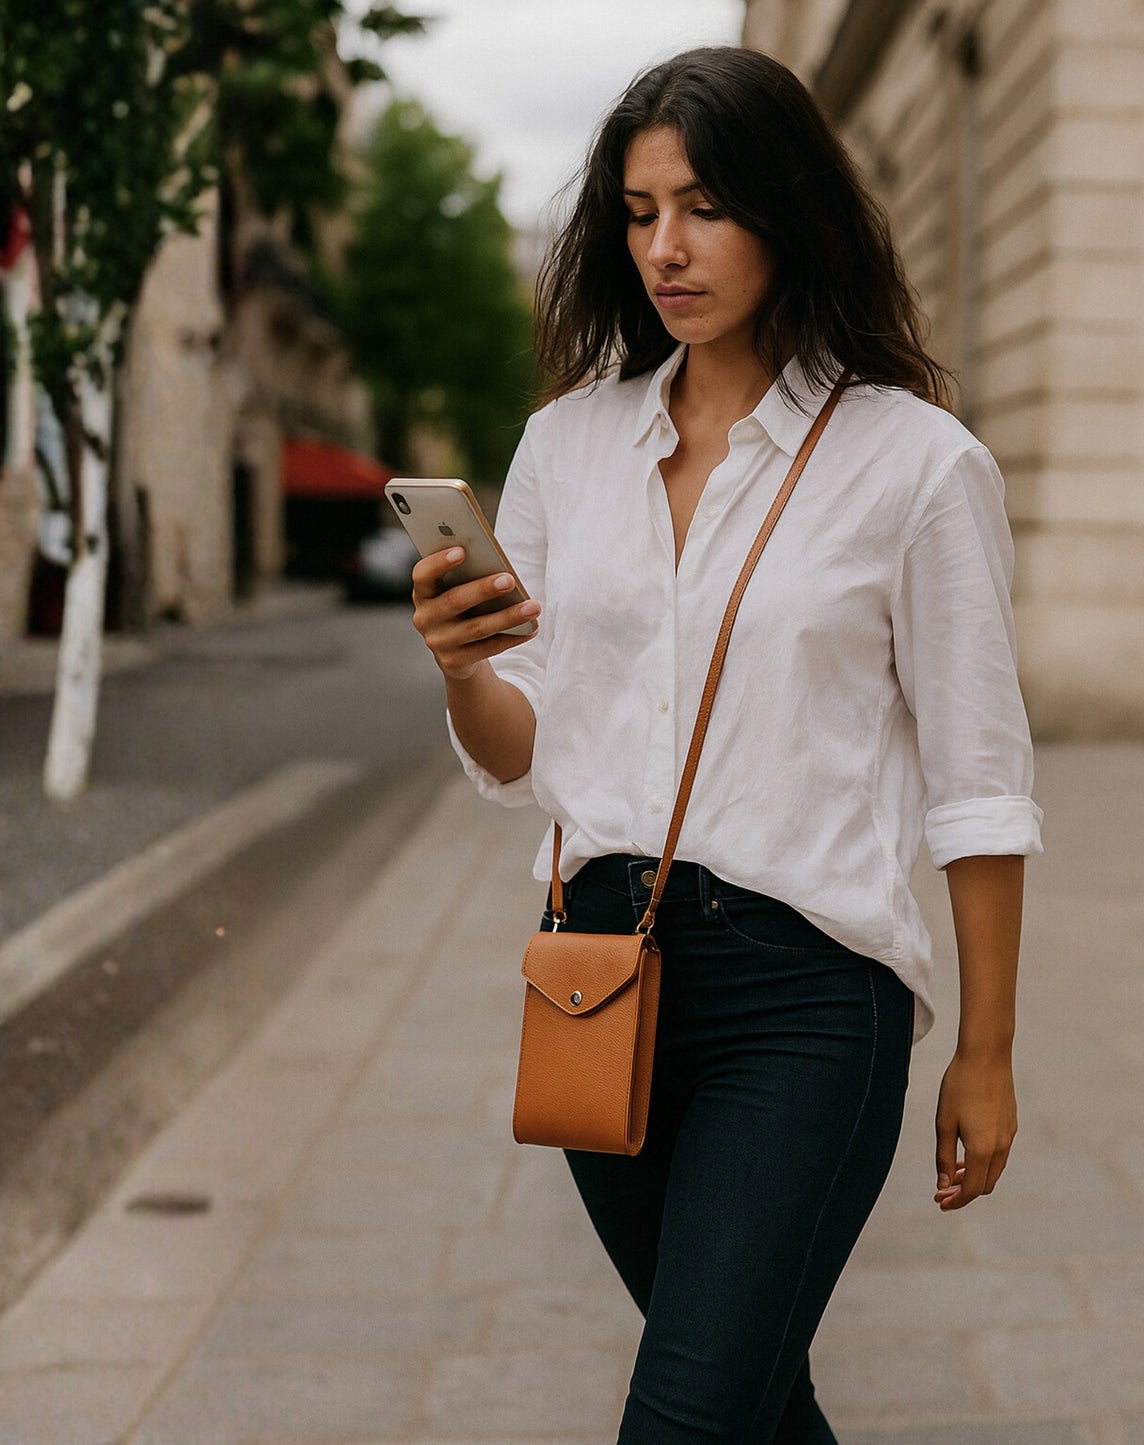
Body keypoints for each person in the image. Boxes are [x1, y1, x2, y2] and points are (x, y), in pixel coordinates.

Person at [410, 45, 1043, 1444]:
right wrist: (462, 666)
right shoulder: (567, 446)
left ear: (786, 207)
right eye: (637, 214)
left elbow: (979, 781)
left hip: (804, 1002)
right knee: (750, 1399)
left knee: (687, 1415)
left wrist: (984, 1049)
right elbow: (519, 748)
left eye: (701, 205)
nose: (665, 248)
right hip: (598, 979)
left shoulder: (914, 462)